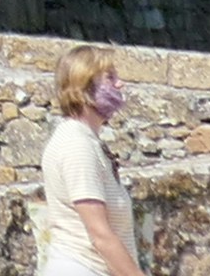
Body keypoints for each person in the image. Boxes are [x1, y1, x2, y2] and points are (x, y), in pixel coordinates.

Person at [36, 54, 143, 276]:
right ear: (83, 87)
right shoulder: (77, 145)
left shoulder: (86, 141)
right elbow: (100, 235)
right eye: (109, 78)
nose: (119, 84)